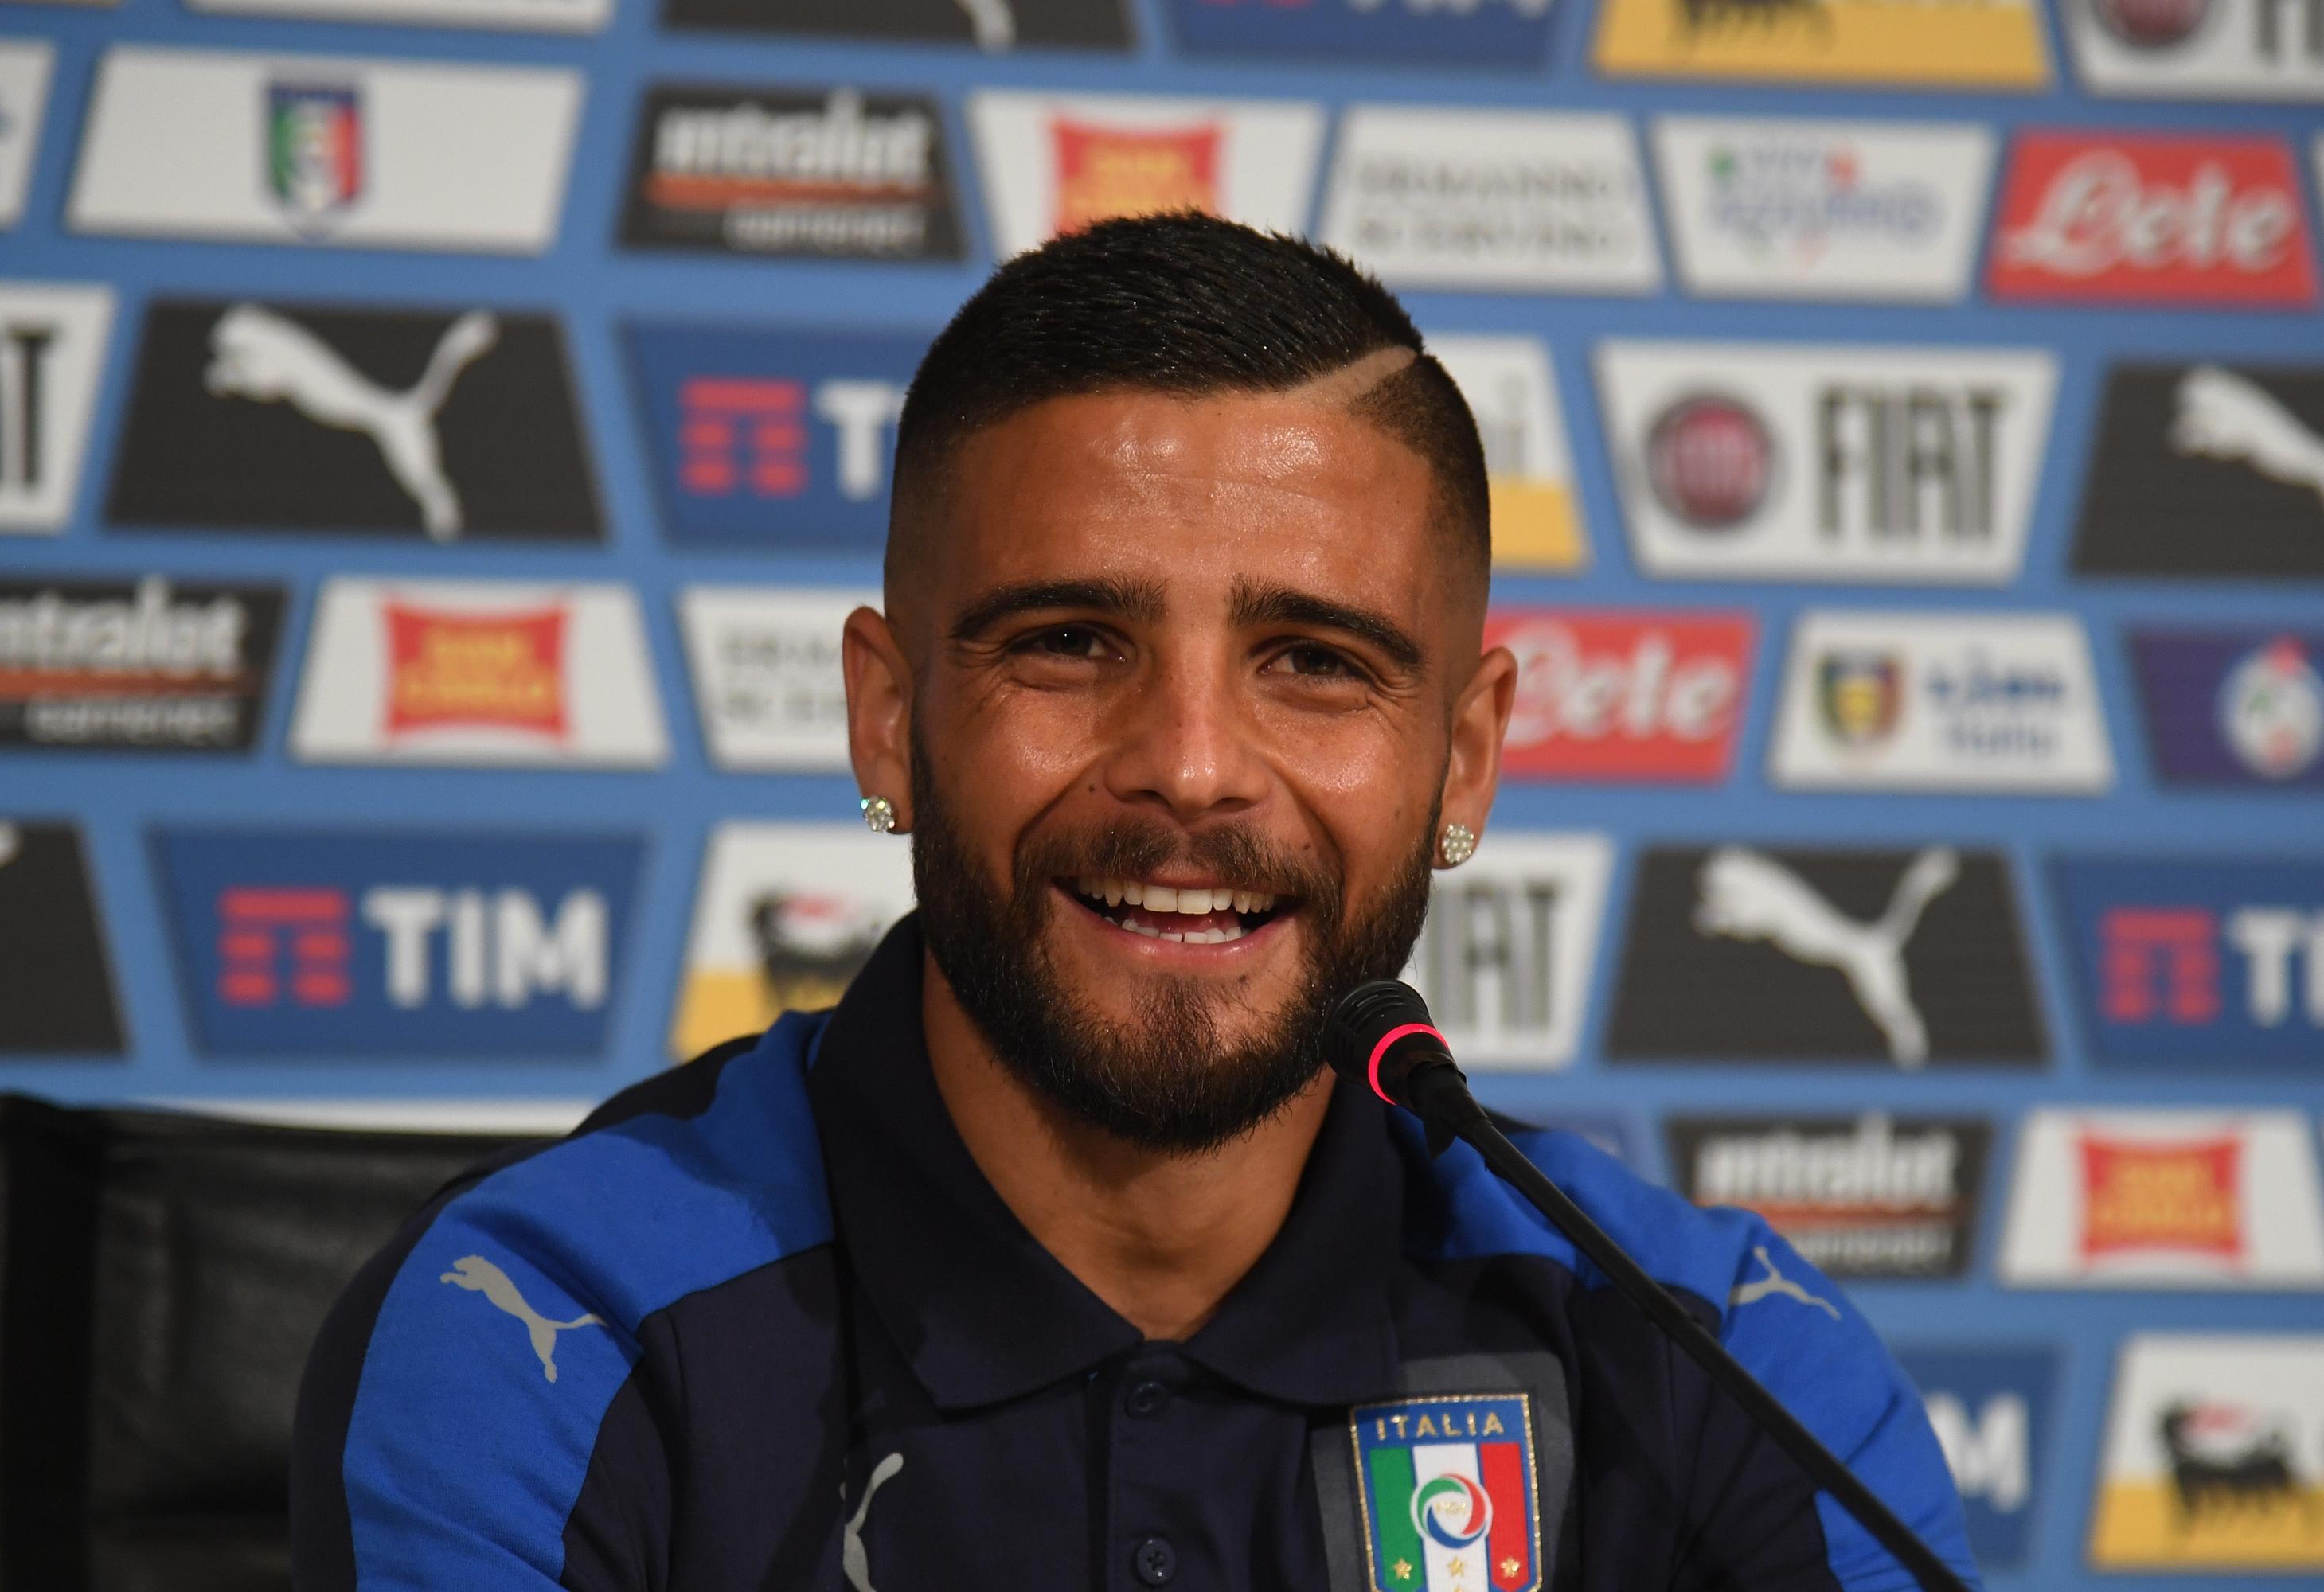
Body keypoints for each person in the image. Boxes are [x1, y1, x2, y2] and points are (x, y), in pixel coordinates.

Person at [291, 213, 1977, 1592]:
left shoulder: (1730, 1369)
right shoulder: (539, 1338)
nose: (1188, 767)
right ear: (890, 714)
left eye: (1313, 663)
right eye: (1068, 644)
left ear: (1463, 761)